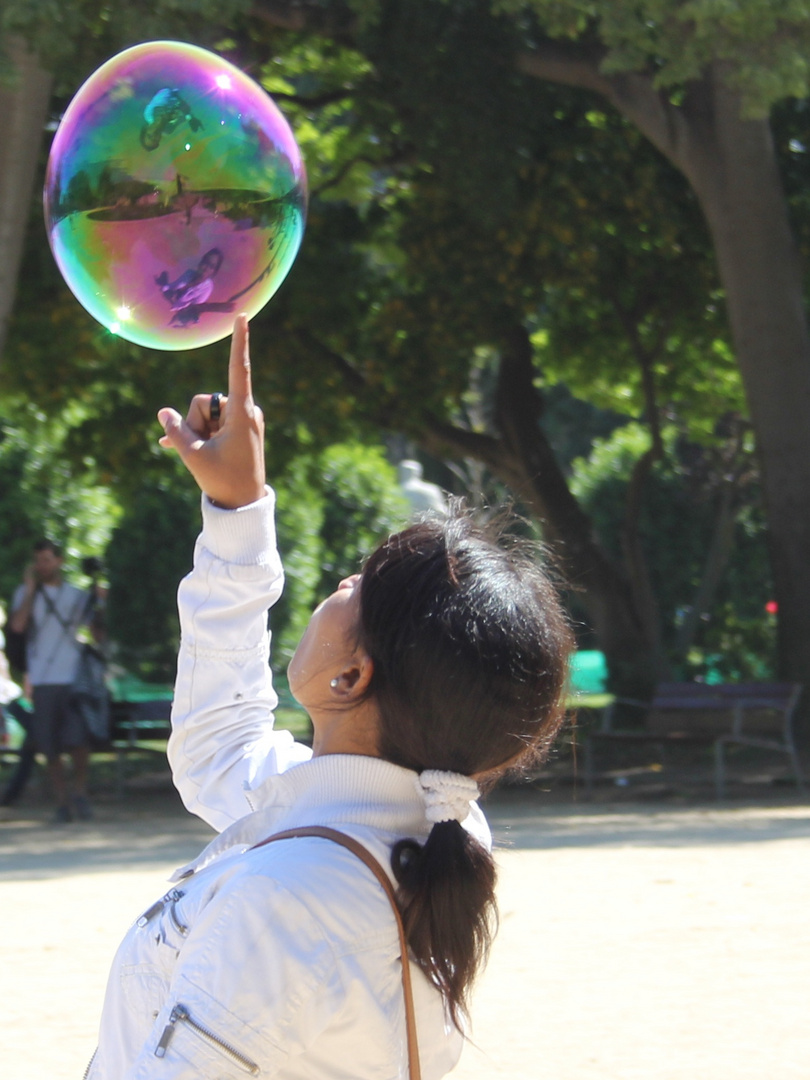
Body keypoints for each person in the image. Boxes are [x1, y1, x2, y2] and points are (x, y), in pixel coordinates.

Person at [86, 314, 574, 1078]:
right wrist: (237, 513)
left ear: (352, 679)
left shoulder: (294, 895)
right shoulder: (424, 819)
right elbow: (219, 750)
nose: (343, 581)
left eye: (361, 585)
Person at [9, 539, 101, 823]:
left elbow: (96, 631)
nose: (42, 566)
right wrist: (31, 591)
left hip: (73, 677)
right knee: (49, 745)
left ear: (59, 561)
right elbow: (18, 626)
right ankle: (62, 801)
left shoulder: (75, 595)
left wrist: (98, 598)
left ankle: (80, 792)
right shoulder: (25, 593)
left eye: (47, 560)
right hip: (43, 678)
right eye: (38, 561)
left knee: (79, 741)